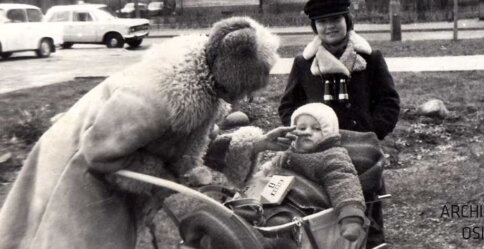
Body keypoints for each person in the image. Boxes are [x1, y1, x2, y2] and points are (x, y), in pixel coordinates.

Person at [0, 16, 294, 249]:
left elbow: (194, 145)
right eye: (243, 90)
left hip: (109, 161)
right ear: (229, 78)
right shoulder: (153, 98)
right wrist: (165, 180)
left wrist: (255, 144)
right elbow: (101, 155)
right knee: (70, 240)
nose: (242, 99)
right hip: (77, 171)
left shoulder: (205, 85)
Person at [278, 0, 400, 247]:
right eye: (322, 22)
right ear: (315, 27)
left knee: (367, 207)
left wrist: (372, 133)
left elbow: (388, 101)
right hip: (318, 151)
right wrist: (303, 131)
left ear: (347, 20)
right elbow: (289, 105)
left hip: (361, 149)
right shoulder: (304, 64)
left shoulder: (369, 58)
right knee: (321, 210)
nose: (329, 26)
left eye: (335, 19)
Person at [262, 103, 366, 243]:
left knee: (279, 226)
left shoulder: (332, 156)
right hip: (275, 201)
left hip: (305, 209)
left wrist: (351, 217)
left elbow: (343, 183)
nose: (307, 132)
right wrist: (266, 170)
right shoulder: (288, 153)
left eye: (316, 129)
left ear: (329, 133)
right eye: (301, 128)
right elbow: (270, 169)